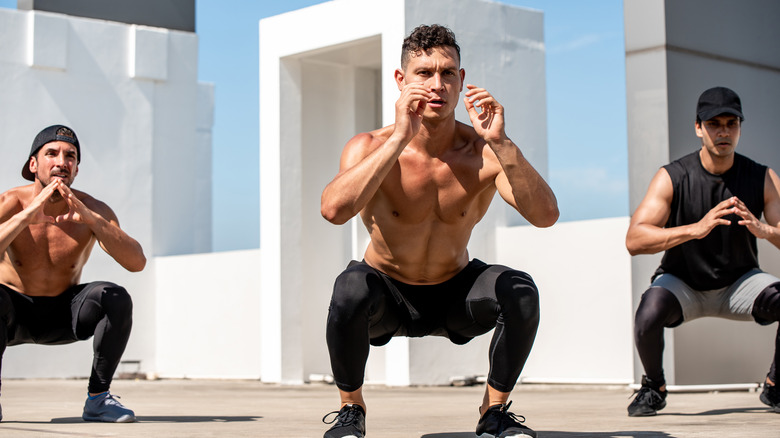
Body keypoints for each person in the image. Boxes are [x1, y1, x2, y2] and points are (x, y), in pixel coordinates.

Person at [319, 24, 558, 438]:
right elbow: (333, 211)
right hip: (387, 293)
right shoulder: (370, 146)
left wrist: (502, 144)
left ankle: (494, 411)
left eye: (448, 73)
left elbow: (545, 215)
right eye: (424, 73)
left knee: (520, 289)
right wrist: (398, 137)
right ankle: (350, 410)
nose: (437, 84)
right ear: (401, 80)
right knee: (348, 289)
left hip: (455, 293)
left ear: (462, 80)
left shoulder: (484, 152)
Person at [626, 86, 780, 416]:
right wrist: (695, 229)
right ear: (698, 127)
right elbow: (635, 241)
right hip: (683, 284)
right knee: (647, 314)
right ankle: (654, 387)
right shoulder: (673, 176)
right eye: (714, 124)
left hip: (741, 283)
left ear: (739, 127)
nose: (723, 131)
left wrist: (763, 230)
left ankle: (775, 386)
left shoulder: (762, 176)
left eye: (731, 123)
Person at [0, 125, 146, 423]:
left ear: (76, 168)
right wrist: (26, 216)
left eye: (70, 156)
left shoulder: (91, 209)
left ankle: (98, 399)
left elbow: (136, 262)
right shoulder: (10, 203)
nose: (61, 161)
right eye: (51, 153)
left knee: (116, 297)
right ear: (33, 164)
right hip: (12, 314)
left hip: (63, 315)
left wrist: (93, 221)